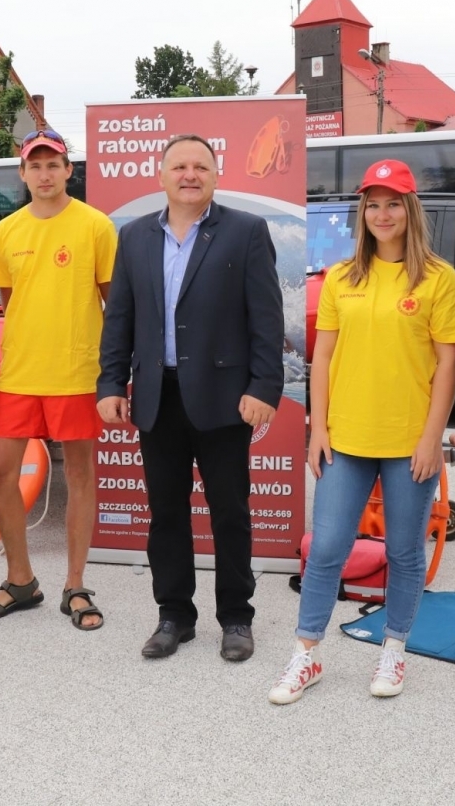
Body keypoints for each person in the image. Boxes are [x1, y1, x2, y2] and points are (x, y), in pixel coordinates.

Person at [269, 160, 455, 705]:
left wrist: (432, 439)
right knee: (327, 547)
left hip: (410, 442)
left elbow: (449, 366)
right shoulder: (341, 277)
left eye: (393, 202)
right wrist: (317, 429)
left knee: (404, 551)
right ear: (363, 212)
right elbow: (324, 357)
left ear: (410, 209)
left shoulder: (438, 279)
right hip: (346, 439)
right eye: (373, 203)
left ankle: (393, 651)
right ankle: (306, 654)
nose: (383, 213)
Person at [98, 133, 285, 662]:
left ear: (215, 176)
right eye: (179, 165)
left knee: (230, 511)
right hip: (157, 397)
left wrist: (264, 387)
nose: (189, 174)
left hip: (227, 399)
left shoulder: (246, 232)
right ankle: (174, 615)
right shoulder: (133, 237)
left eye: (200, 166)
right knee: (166, 513)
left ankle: (236, 619)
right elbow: (121, 319)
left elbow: (267, 319)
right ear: (161, 176)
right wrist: (111, 382)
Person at [0, 130, 117, 630]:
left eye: (53, 163)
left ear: (68, 170)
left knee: (80, 475)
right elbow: (10, 305)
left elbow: (112, 303)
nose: (45, 173)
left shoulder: (95, 226)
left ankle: (75, 584)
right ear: (23, 173)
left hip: (77, 371)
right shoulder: (7, 230)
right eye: (35, 165)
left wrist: (113, 374)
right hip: (20, 374)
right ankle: (20, 580)